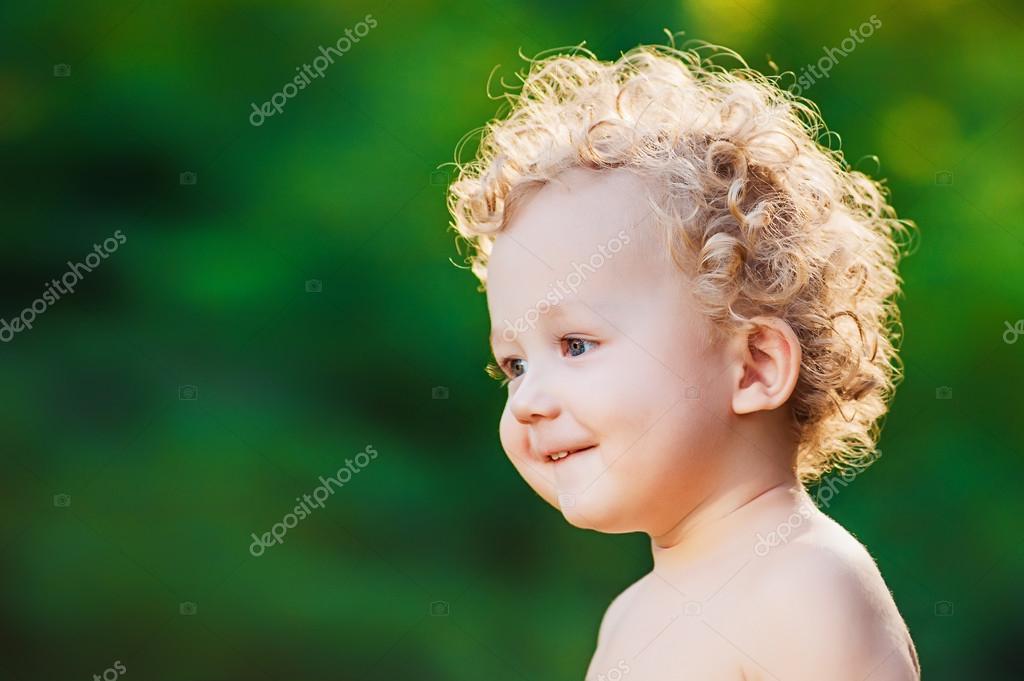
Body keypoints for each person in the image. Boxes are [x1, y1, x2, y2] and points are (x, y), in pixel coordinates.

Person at [445, 40, 920, 680]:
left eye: (575, 345)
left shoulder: (804, 584)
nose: (527, 401)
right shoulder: (628, 618)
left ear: (753, 367)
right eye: (515, 365)